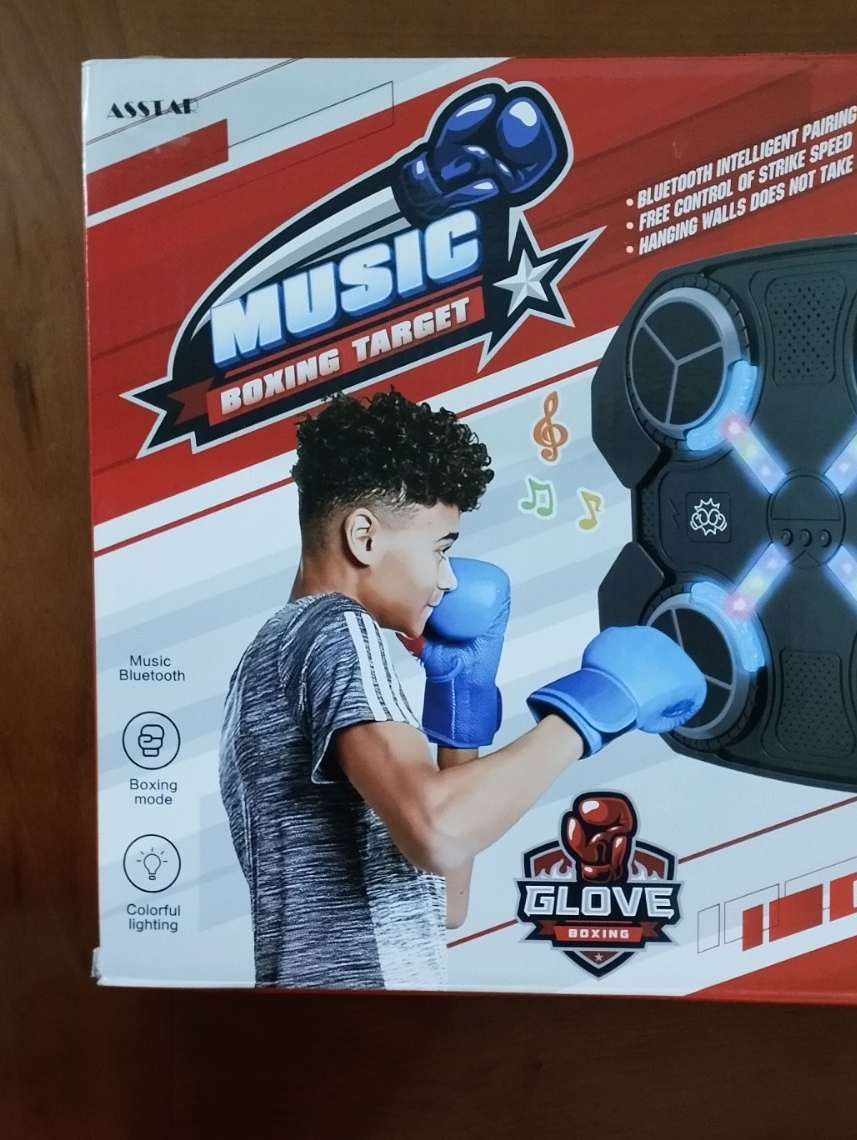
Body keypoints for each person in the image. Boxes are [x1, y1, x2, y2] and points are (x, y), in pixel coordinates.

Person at [219, 388, 704, 989]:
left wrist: (461, 695)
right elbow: (438, 830)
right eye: (440, 549)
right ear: (364, 537)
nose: (448, 578)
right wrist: (597, 704)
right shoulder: (335, 630)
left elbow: (445, 901)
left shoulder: (261, 661)